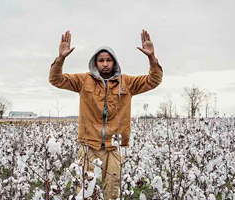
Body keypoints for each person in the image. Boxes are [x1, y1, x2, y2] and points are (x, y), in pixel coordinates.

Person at [49, 30, 163, 200]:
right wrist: (61, 59)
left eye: (109, 60)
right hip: (88, 146)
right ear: (95, 63)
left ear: (114, 63)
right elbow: (55, 80)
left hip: (114, 148)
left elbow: (153, 80)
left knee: (112, 191)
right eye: (101, 60)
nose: (105, 64)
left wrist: (152, 58)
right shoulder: (83, 80)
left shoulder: (127, 83)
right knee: (86, 191)